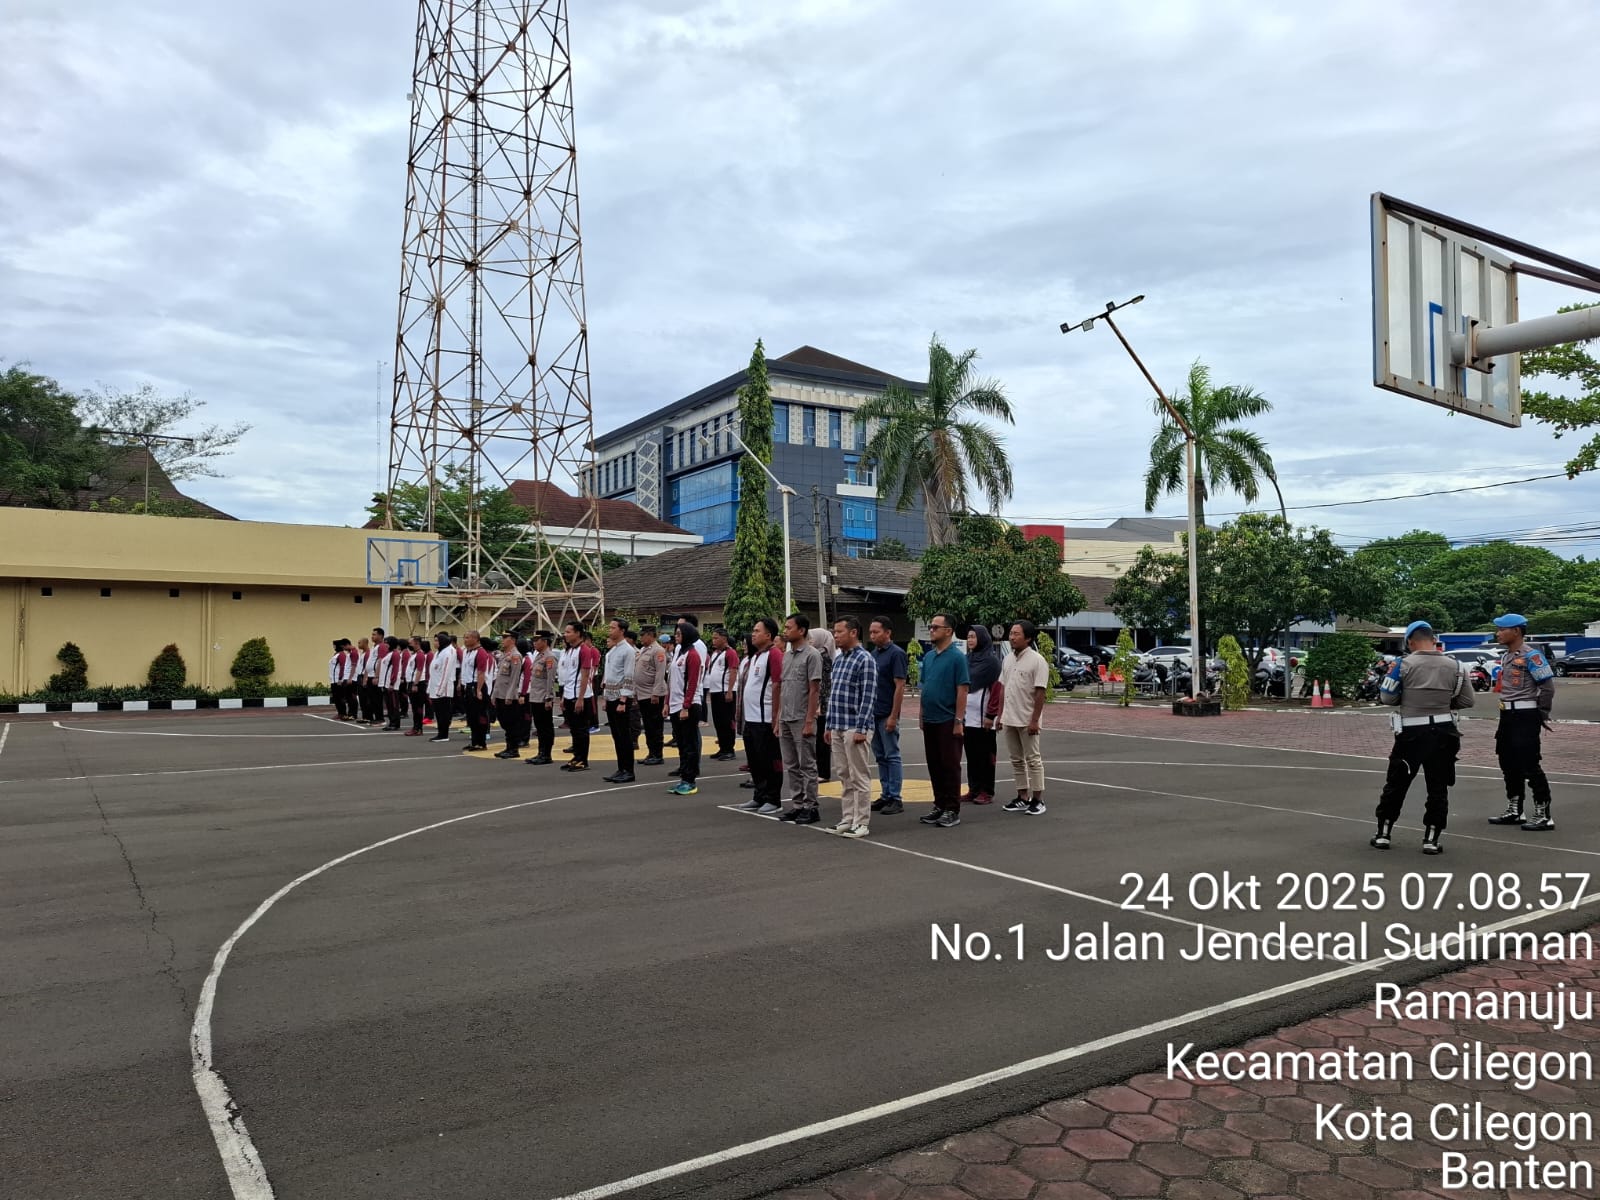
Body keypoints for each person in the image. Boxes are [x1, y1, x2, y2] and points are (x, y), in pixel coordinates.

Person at [1371, 620, 1474, 853]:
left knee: (1397, 783)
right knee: (1438, 787)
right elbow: (1468, 700)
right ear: (1434, 640)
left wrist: (1409, 700)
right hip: (1444, 732)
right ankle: (1431, 839)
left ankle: (1384, 833)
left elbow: (1387, 697)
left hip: (1411, 733)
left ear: (1410, 642)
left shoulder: (1402, 664)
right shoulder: (1457, 666)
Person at [1486, 612, 1558, 832]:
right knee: (1507, 761)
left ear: (1516, 631)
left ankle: (1543, 812)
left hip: (1525, 715)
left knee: (1529, 763)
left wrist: (1541, 713)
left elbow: (1547, 687)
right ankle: (1515, 808)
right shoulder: (1507, 656)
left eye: (1502, 629)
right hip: (1507, 715)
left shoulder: (1532, 656)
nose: (1498, 633)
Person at [824, 616, 878, 837]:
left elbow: (868, 696)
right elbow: (833, 695)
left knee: (859, 776)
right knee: (844, 775)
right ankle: (847, 818)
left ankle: (861, 821)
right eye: (834, 632)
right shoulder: (839, 659)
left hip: (854, 726)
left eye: (839, 632)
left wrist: (861, 728)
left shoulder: (865, 659)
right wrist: (829, 725)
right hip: (838, 724)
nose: (835, 636)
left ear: (853, 633)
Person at [918, 614, 969, 828]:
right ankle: (939, 804)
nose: (931, 630)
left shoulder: (957, 657)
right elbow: (924, 687)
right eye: (930, 626)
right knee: (934, 764)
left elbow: (962, 689)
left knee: (949, 765)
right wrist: (921, 714)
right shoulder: (929, 657)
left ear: (948, 631)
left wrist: (958, 720)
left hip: (948, 719)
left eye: (935, 627)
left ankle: (952, 808)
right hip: (930, 718)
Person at [1000, 620, 1051, 816]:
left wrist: (1034, 720)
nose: (1012, 637)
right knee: (1016, 760)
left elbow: (1040, 692)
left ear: (1028, 638)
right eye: (1011, 633)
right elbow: (1003, 688)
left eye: (1016, 634)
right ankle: (1022, 796)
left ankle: (1038, 800)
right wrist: (1000, 715)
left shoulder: (1037, 660)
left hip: (1027, 719)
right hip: (1009, 718)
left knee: (1033, 760)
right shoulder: (1007, 659)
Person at [777, 612, 823, 825]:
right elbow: (784, 688)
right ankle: (797, 805)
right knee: (791, 764)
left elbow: (814, 690)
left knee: (807, 765)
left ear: (801, 630)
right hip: (786, 717)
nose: (785, 631)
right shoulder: (787, 656)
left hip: (801, 717)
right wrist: (778, 718)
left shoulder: (812, 655)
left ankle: (811, 807)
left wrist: (809, 720)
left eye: (789, 627)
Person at [735, 618, 785, 815]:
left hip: (765, 719)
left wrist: (775, 716)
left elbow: (777, 684)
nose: (753, 634)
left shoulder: (774, 654)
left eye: (757, 631)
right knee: (754, 761)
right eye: (753, 631)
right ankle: (759, 795)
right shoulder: (756, 656)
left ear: (768, 635)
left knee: (769, 761)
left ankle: (773, 799)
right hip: (751, 718)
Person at [868, 617, 908, 816]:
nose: (872, 635)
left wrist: (894, 715)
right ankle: (885, 794)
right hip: (874, 713)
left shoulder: (896, 654)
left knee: (892, 755)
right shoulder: (873, 654)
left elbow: (900, 686)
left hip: (887, 713)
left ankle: (895, 797)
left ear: (888, 632)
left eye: (876, 632)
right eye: (871, 632)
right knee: (880, 756)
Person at [962, 625, 1004, 806]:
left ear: (982, 638)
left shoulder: (992, 662)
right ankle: (974, 789)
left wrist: (991, 714)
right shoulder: (967, 659)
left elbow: (996, 690)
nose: (970, 640)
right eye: (969, 637)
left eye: (974, 636)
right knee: (971, 755)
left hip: (984, 719)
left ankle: (986, 791)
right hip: (967, 718)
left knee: (985, 756)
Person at [667, 618, 704, 795]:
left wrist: (686, 706)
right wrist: (667, 703)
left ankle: (690, 780)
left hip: (688, 705)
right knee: (681, 744)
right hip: (675, 705)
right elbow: (672, 680)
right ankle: (683, 777)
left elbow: (692, 682)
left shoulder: (693, 655)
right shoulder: (678, 653)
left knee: (690, 745)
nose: (676, 636)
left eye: (679, 633)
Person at [558, 621, 600, 771]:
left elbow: (585, 675)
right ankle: (576, 757)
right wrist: (563, 697)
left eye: (569, 632)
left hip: (580, 695)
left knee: (581, 729)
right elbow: (568, 676)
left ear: (577, 633)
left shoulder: (584, 650)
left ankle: (582, 759)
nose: (565, 634)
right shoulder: (569, 650)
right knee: (574, 729)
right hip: (569, 693)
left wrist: (581, 698)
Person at [602, 618, 637, 783]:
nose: (610, 630)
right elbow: (608, 676)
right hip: (611, 696)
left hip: (620, 698)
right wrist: (605, 697)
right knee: (616, 735)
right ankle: (621, 767)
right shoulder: (612, 651)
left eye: (613, 628)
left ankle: (628, 770)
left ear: (622, 630)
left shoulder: (627, 651)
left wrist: (623, 700)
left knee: (624, 735)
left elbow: (629, 676)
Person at [633, 625, 669, 765]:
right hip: (642, 693)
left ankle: (657, 754)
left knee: (655, 725)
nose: (641, 638)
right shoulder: (644, 650)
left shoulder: (658, 650)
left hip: (652, 694)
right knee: (648, 726)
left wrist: (656, 693)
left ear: (650, 635)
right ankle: (651, 753)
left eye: (643, 635)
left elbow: (660, 673)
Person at [523, 631, 560, 764]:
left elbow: (550, 679)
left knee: (545, 727)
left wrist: (549, 698)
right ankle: (541, 752)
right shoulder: (539, 656)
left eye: (537, 640)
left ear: (545, 641)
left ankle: (546, 754)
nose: (534, 643)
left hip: (543, 697)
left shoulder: (549, 657)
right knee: (539, 726)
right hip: (535, 696)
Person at [457, 629, 496, 752]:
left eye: (467, 638)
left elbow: (481, 673)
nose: (465, 640)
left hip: (477, 685)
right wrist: (462, 684)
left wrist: (479, 690)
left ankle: (481, 742)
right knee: (471, 716)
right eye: (465, 637)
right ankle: (474, 741)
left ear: (475, 639)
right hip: (468, 685)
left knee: (479, 715)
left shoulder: (481, 653)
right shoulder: (467, 652)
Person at [705, 628, 741, 761]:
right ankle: (723, 747)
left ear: (724, 639)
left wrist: (730, 690)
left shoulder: (730, 653)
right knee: (718, 721)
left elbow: (733, 671)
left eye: (716, 638)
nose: (713, 640)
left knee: (727, 721)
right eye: (713, 638)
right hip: (716, 692)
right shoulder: (715, 653)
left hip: (725, 691)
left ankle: (729, 750)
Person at [491, 632, 526, 758]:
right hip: (500, 693)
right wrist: (494, 694)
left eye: (505, 638)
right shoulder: (504, 655)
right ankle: (508, 747)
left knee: (511, 723)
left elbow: (514, 678)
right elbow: (499, 677)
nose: (503, 640)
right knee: (504, 722)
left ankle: (513, 749)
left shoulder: (515, 656)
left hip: (508, 695)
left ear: (513, 640)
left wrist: (510, 695)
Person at [810, 627, 836, 783]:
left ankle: (824, 772)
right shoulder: (816, 655)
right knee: (817, 739)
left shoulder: (823, 657)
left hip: (822, 704)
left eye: (813, 638)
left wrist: (819, 704)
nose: (810, 641)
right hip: (818, 702)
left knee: (821, 739)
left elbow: (824, 683)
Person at [426, 631, 460, 742]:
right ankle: (440, 733)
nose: (434, 643)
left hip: (443, 689)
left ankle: (444, 735)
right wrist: (430, 687)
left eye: (437, 641)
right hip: (435, 686)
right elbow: (433, 671)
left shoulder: (448, 652)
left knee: (443, 713)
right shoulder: (438, 652)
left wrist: (441, 689)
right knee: (438, 713)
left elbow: (446, 672)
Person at [405, 635, 431, 736]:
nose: (409, 645)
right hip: (412, 682)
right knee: (414, 708)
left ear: (416, 643)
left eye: (410, 643)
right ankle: (415, 727)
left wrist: (415, 684)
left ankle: (418, 728)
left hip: (418, 684)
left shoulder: (420, 655)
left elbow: (419, 670)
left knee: (418, 707)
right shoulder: (414, 654)